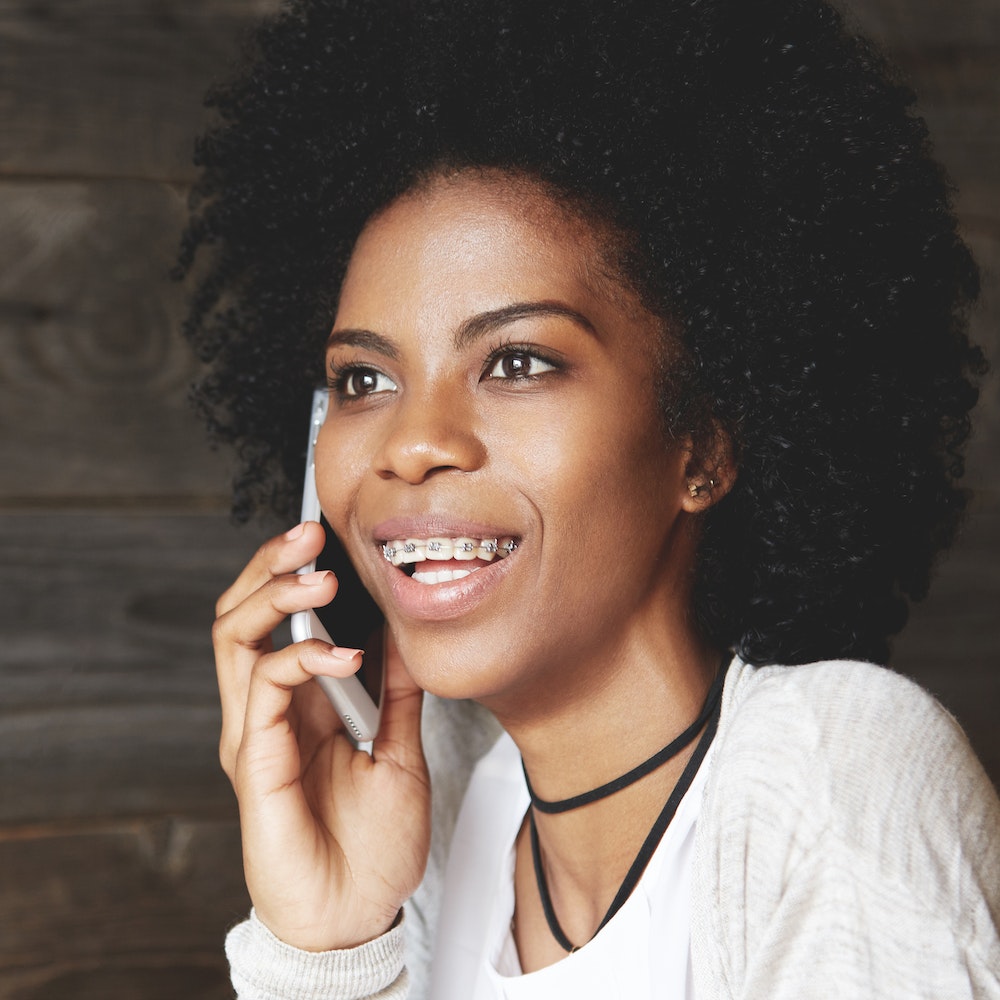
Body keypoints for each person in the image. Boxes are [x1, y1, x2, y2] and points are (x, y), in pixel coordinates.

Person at [177, 0, 1000, 996]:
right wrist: (328, 944)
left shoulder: (834, 772)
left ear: (705, 444)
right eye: (363, 379)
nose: (411, 444)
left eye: (517, 361)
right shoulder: (427, 798)